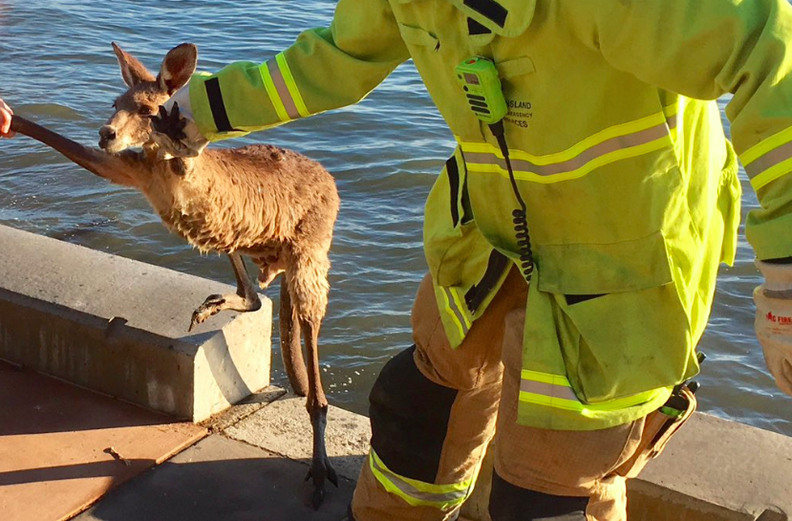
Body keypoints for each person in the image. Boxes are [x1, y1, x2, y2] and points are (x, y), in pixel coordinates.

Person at [4, 1, 792, 519]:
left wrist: (786, 273)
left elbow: (771, 54)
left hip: (621, 272)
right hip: (487, 241)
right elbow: (335, 58)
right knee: (414, 414)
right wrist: (194, 113)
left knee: (549, 492)